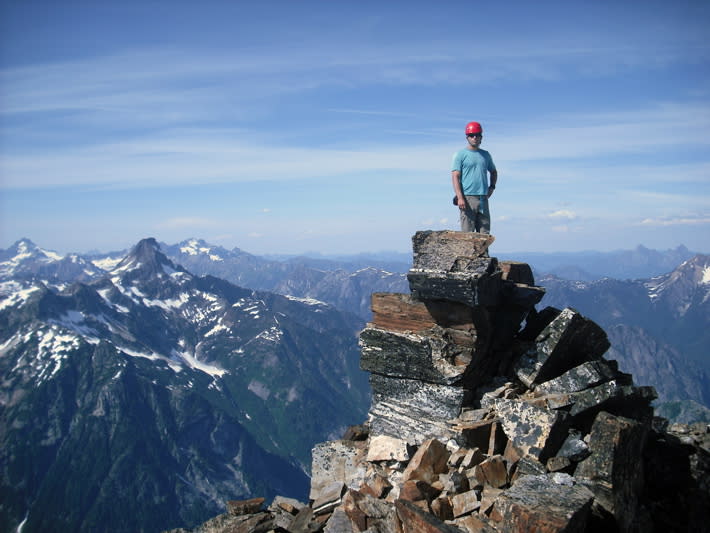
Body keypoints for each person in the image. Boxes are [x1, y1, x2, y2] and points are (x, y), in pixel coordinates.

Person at [451, 121, 498, 233]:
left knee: (484, 236)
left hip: (483, 199)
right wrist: (460, 197)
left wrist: (492, 187)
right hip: (467, 198)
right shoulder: (460, 155)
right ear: (467, 137)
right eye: (472, 135)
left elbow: (494, 172)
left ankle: (484, 252)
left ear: (481, 137)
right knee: (467, 236)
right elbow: (455, 176)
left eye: (477, 135)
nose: (475, 137)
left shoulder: (485, 155)